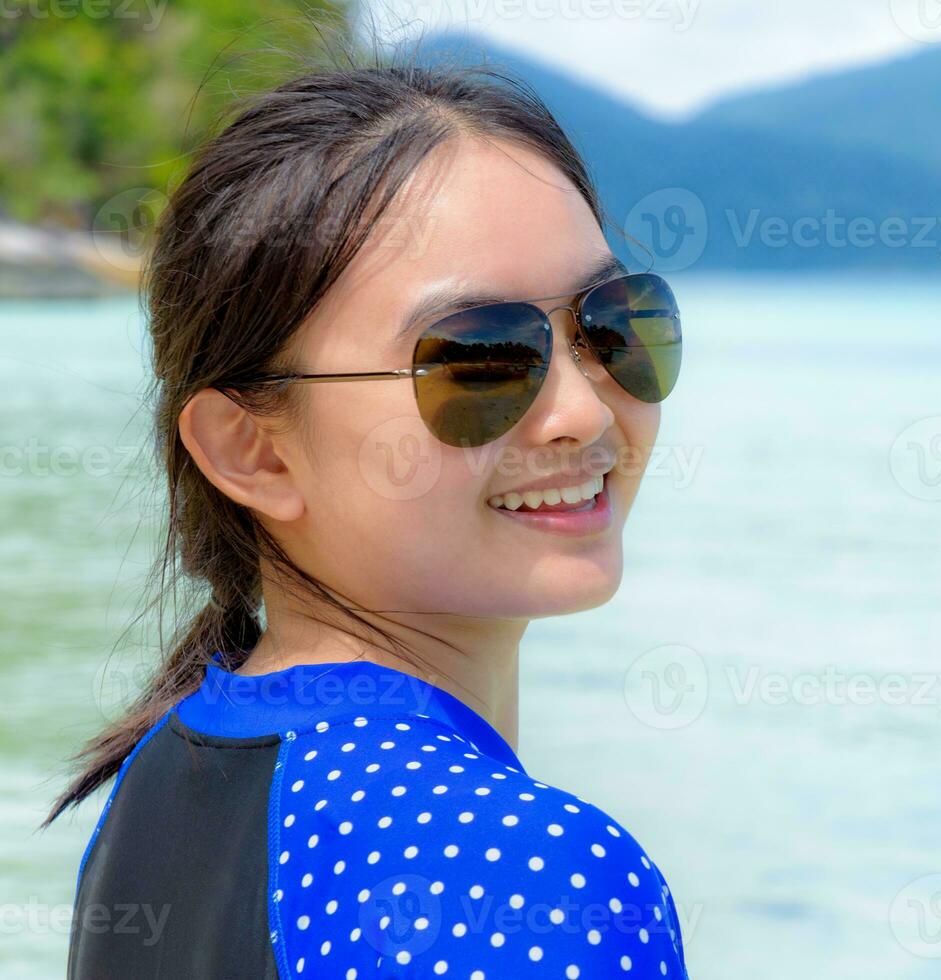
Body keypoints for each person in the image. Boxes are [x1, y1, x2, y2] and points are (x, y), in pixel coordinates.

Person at [48, 58, 687, 979]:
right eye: (482, 358)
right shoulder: (518, 879)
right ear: (253, 450)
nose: (585, 410)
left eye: (613, 324)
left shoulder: (161, 783)